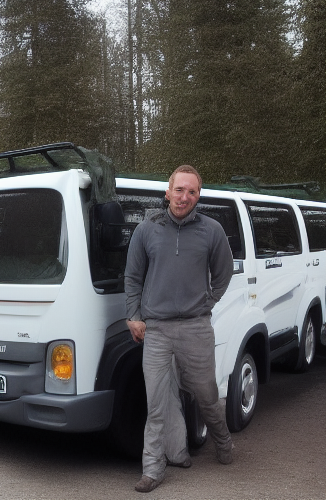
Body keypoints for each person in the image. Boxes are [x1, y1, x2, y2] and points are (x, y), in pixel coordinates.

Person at [125, 165, 234, 493]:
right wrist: (133, 316)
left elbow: (224, 272)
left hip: (196, 328)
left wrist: (208, 301)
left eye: (192, 191)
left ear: (198, 196)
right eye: (179, 189)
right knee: (157, 403)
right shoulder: (146, 230)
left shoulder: (211, 230)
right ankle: (152, 468)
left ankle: (223, 441)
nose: (184, 197)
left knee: (206, 395)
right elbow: (133, 277)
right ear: (168, 191)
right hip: (156, 330)